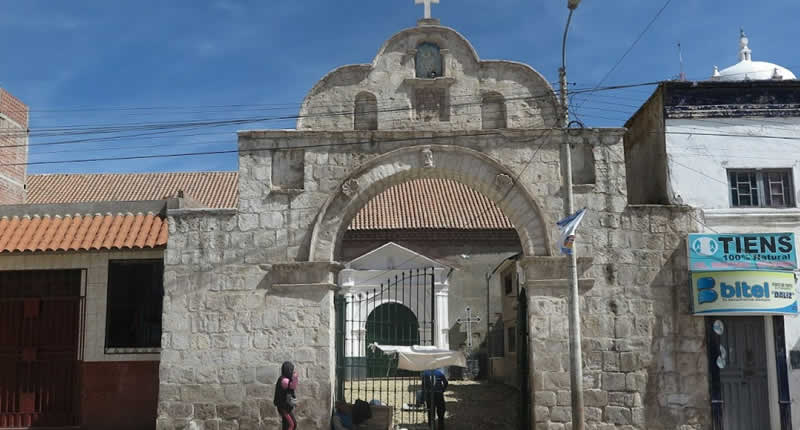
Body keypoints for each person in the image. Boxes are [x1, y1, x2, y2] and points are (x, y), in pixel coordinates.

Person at [274, 361, 299, 430]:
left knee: (288, 424)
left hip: (285, 407)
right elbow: (292, 386)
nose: (292, 371)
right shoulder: (284, 380)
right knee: (291, 425)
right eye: (291, 369)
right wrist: (295, 377)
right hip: (283, 408)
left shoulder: (284, 378)